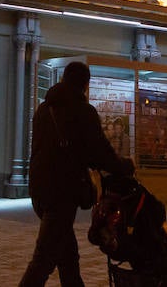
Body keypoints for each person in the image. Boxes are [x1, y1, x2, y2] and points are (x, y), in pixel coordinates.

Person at [19, 61, 132, 287]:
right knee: (44, 257)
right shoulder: (82, 111)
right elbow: (99, 152)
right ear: (86, 85)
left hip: (40, 189)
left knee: (66, 253)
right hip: (63, 190)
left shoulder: (44, 109)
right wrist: (124, 167)